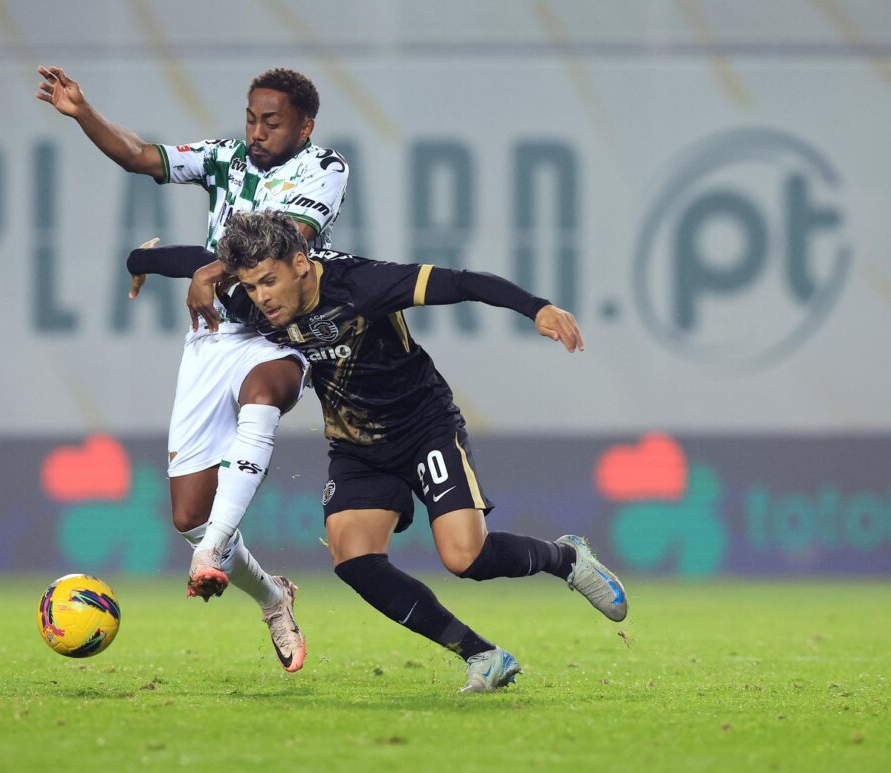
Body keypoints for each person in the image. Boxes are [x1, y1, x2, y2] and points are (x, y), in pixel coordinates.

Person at [127, 210, 629, 693]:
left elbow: (461, 282)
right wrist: (140, 261)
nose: (260, 298)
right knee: (354, 559)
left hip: (423, 427)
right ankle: (482, 655)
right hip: (357, 446)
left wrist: (536, 307)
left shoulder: (362, 284)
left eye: (268, 282)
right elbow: (194, 259)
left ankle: (565, 558)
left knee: (465, 557)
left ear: (300, 263)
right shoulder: (252, 297)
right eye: (251, 286)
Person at [36, 65, 350, 673]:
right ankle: (272, 596)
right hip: (212, 342)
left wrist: (202, 267)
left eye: (273, 122)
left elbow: (287, 237)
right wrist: (84, 113)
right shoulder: (223, 157)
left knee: (267, 392)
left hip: (278, 328)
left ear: (305, 126)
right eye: (252, 118)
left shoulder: (325, 168)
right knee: (186, 515)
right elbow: (138, 156)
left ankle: (210, 552)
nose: (256, 132)